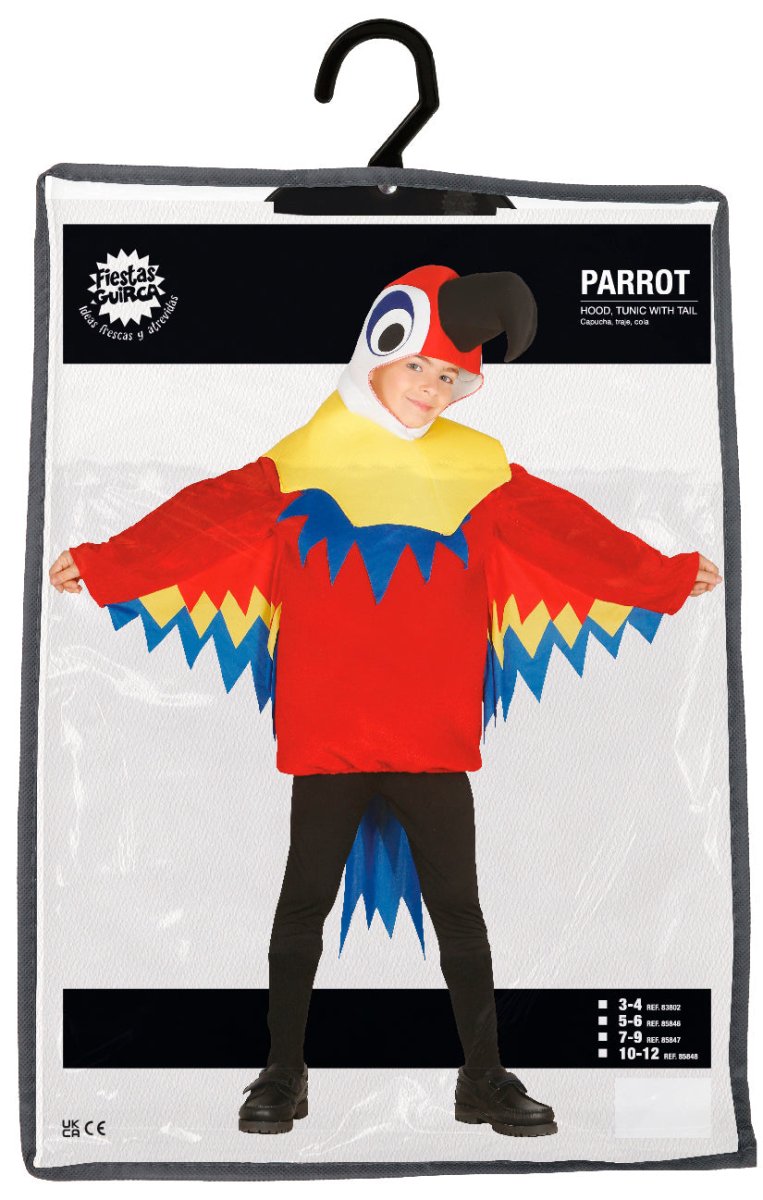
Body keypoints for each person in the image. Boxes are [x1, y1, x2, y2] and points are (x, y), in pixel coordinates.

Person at [49, 265, 721, 1140]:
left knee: (460, 917)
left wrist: (659, 576)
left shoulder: (479, 470)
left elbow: (569, 534)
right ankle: (282, 1073)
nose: (432, 388)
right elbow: (204, 519)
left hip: (430, 737)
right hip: (328, 734)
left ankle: (482, 1079)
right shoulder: (301, 460)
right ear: (379, 350)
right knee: (302, 910)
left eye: (450, 378)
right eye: (419, 368)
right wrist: (110, 563)